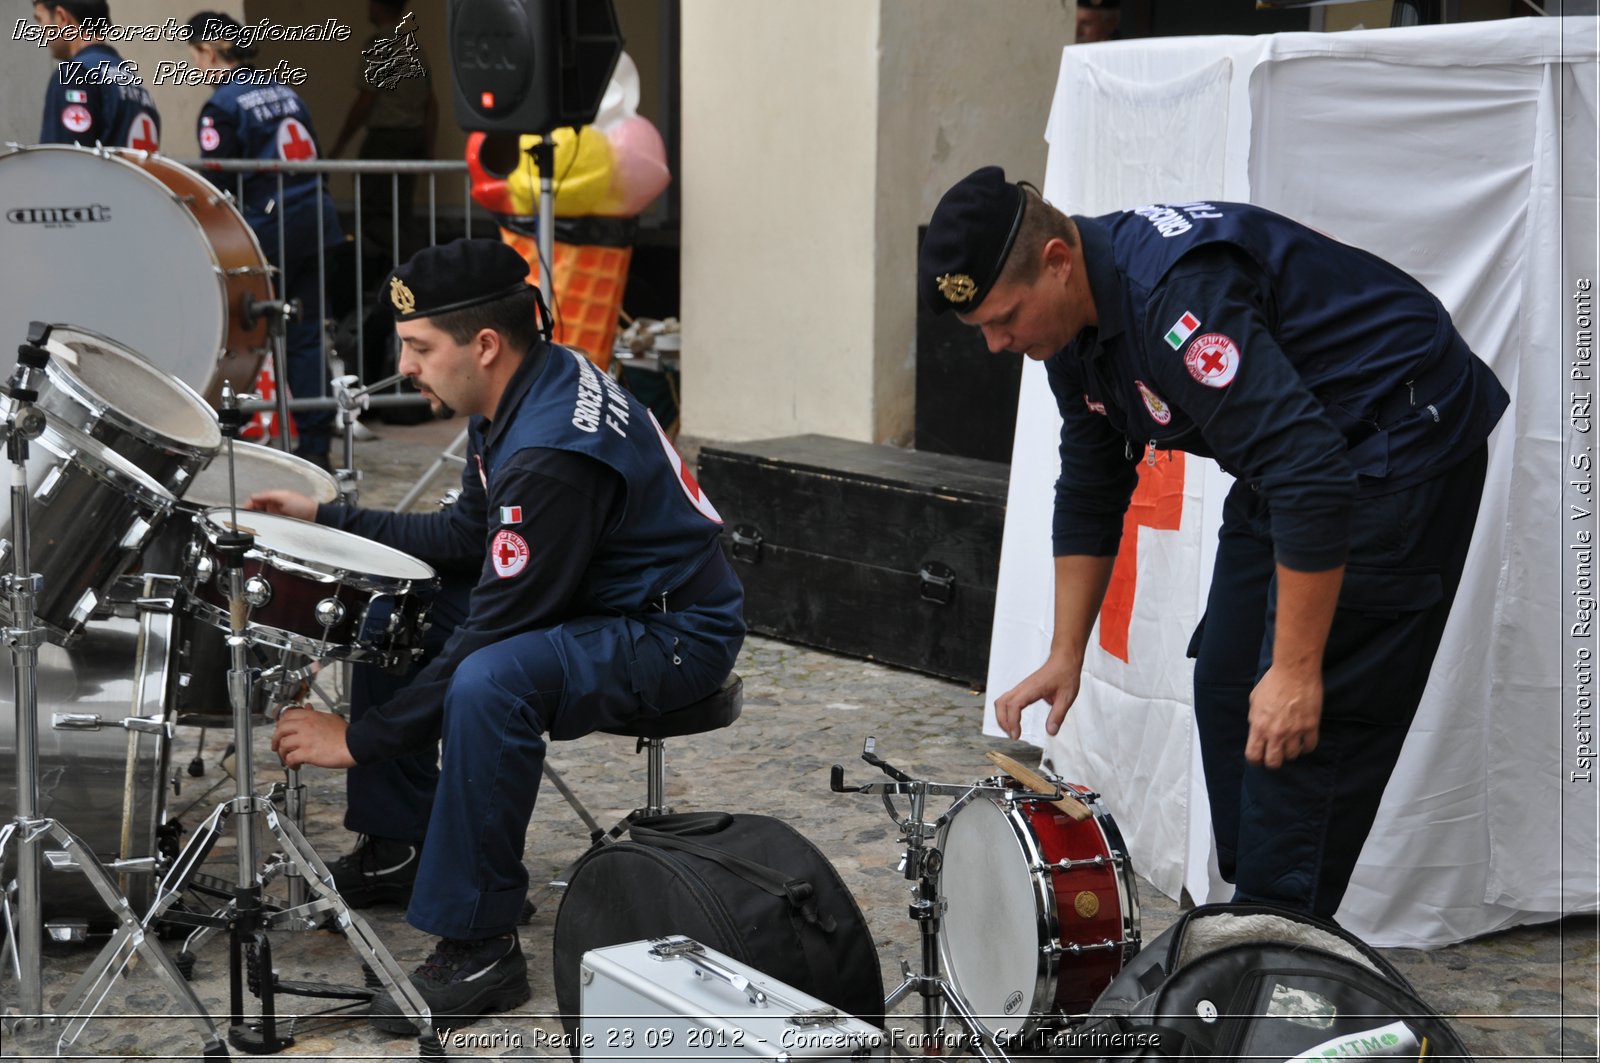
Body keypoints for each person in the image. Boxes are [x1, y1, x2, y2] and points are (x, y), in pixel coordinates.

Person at [919, 167, 1507, 919]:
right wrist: (1067, 651)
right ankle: (1264, 911)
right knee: (1230, 685)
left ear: (1058, 261)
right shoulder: (1068, 329)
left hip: (1396, 440)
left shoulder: (1174, 302)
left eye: (1005, 318)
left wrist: (1297, 671)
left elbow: (1313, 476)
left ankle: (1279, 944)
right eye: (985, 331)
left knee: (1301, 730)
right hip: (1298, 454)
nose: (999, 343)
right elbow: (1094, 484)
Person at [256, 238, 745, 1029]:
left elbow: (495, 629)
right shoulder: (526, 383)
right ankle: (400, 843)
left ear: (484, 345)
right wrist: (330, 519)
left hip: (673, 630)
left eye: (419, 348)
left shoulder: (550, 449)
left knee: (492, 681)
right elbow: (463, 537)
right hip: (601, 596)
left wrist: (361, 736)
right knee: (396, 602)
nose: (405, 368)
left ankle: (479, 945)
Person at [187, 11, 343, 468]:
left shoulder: (223, 106)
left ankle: (220, 434)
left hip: (272, 229)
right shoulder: (286, 91)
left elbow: (218, 181)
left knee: (231, 328)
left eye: (193, 54)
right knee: (308, 335)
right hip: (319, 219)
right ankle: (316, 446)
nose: (194, 65)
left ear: (208, 51)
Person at [329, 0, 438, 260]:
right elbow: (431, 105)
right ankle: (411, 271)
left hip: (385, 141)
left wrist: (339, 145)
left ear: (378, 6)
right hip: (412, 139)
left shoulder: (379, 47)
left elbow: (366, 100)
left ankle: (383, 276)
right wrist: (428, 149)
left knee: (375, 213)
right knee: (400, 211)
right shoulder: (415, 48)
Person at [33, 1, 160, 149]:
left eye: (40, 20)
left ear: (61, 17)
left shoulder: (74, 74)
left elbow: (62, 160)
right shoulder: (133, 81)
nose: (40, 31)